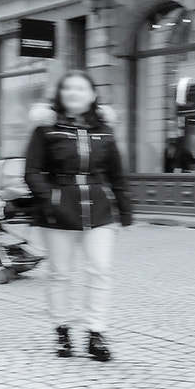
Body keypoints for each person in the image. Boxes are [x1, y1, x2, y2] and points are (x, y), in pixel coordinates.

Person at [24, 71, 133, 362]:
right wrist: (50, 199)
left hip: (99, 207)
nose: (74, 93)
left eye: (80, 88)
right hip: (58, 209)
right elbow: (32, 170)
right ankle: (61, 330)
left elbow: (116, 173)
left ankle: (96, 332)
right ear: (60, 94)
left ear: (93, 95)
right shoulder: (45, 128)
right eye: (68, 88)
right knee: (60, 273)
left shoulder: (105, 129)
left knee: (100, 269)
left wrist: (124, 209)